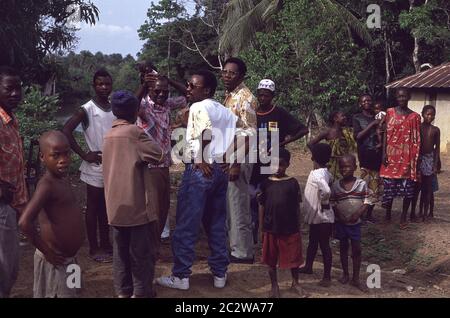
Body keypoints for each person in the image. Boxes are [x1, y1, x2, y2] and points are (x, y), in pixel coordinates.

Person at [156, 70, 238, 290]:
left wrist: (201, 158)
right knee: (216, 223)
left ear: (207, 90)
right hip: (220, 171)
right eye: (188, 85)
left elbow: (206, 132)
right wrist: (228, 157)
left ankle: (181, 276)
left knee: (186, 224)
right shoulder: (225, 111)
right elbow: (241, 135)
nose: (189, 89)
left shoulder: (198, 107)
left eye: (193, 86)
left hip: (201, 170)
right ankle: (220, 273)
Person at [102, 91, 164, 298]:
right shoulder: (135, 133)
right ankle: (141, 292)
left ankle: (122, 291)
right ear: (136, 111)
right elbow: (158, 154)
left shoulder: (108, 134)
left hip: (115, 207)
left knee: (120, 253)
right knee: (140, 254)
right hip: (137, 206)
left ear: (114, 111)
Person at [19, 131, 83, 298]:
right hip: (56, 261)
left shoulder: (63, 178)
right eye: (55, 155)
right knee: (58, 294)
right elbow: (25, 222)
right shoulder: (46, 185)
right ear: (42, 157)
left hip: (71, 259)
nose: (63, 160)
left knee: (73, 292)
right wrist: (47, 252)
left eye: (66, 153)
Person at [63, 69, 115, 263]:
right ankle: (94, 247)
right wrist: (84, 154)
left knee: (106, 207)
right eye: (100, 84)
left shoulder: (113, 107)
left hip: (111, 165)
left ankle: (106, 244)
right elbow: (66, 129)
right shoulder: (87, 109)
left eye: (107, 84)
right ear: (94, 85)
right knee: (93, 206)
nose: (104, 87)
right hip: (95, 166)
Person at [250, 79, 308, 242]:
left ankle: (269, 232)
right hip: (253, 162)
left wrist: (283, 143)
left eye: (266, 95)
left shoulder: (279, 113)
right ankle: (254, 232)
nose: (262, 98)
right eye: (260, 95)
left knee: (268, 197)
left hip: (272, 164)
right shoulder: (252, 113)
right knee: (252, 197)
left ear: (272, 96)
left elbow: (304, 129)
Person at [136, 74, 187, 242]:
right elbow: (132, 107)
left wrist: (169, 80)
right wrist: (144, 85)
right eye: (157, 91)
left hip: (164, 164)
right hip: (150, 166)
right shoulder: (144, 106)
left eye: (165, 92)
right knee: (152, 207)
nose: (161, 95)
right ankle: (149, 244)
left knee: (164, 206)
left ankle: (156, 240)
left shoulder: (166, 104)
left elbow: (187, 95)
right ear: (150, 90)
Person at [222, 57, 258, 263]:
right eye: (225, 72)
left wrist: (235, 162)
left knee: (238, 206)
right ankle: (235, 247)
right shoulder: (230, 96)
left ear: (241, 76)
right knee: (231, 205)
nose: (227, 76)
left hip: (239, 158)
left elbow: (250, 133)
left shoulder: (245, 97)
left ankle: (242, 253)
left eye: (232, 73)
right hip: (230, 156)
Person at [258, 148, 306, 298]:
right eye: (274, 164)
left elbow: (297, 206)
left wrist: (299, 226)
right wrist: (261, 228)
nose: (278, 167)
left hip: (290, 227)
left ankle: (295, 283)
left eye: (282, 164)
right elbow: (262, 206)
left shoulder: (293, 183)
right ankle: (274, 286)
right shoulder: (266, 183)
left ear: (288, 164)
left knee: (294, 258)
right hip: (271, 227)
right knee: (271, 259)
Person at [0, 66, 28, 298]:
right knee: (5, 267)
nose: (15, 94)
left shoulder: (10, 119)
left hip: (12, 204)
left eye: (18, 89)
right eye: (9, 89)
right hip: (1, 206)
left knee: (9, 265)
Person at [379, 87, 421, 225]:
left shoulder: (415, 117)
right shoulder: (390, 113)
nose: (401, 99)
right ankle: (388, 214)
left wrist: (416, 160)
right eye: (399, 96)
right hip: (391, 156)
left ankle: (403, 216)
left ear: (409, 97)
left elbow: (416, 139)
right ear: (396, 97)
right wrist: (384, 152)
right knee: (389, 187)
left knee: (408, 189)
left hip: (407, 158)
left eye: (404, 96)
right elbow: (385, 133)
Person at [331, 154, 369, 291]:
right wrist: (339, 214)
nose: (344, 169)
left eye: (347, 166)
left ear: (355, 167)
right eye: (341, 167)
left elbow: (367, 200)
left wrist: (358, 213)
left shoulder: (361, 184)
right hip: (341, 223)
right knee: (343, 247)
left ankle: (356, 278)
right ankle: (346, 274)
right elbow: (333, 202)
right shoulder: (336, 185)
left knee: (356, 249)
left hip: (355, 223)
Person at [299, 143, 334, 287]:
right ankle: (308, 266)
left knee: (324, 245)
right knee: (313, 242)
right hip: (318, 217)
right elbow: (330, 181)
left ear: (313, 157)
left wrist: (324, 201)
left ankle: (327, 276)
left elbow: (326, 190)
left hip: (322, 217)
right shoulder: (325, 172)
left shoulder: (316, 174)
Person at [352, 94, 382, 222]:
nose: (367, 102)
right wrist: (372, 124)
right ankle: (361, 213)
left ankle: (369, 214)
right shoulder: (357, 118)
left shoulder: (378, 117)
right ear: (360, 104)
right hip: (364, 156)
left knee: (374, 187)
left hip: (377, 156)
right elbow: (357, 136)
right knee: (363, 186)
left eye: (369, 100)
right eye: (364, 101)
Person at [308, 111, 356, 181]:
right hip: (331, 164)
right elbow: (310, 144)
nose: (345, 118)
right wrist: (317, 156)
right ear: (335, 119)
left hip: (343, 163)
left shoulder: (346, 132)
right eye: (342, 116)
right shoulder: (328, 132)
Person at [411, 105, 440, 222]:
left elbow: (437, 148)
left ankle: (423, 213)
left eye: (432, 114)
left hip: (429, 159)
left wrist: (435, 164)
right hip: (418, 159)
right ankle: (412, 212)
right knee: (416, 188)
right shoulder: (417, 128)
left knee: (427, 189)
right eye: (427, 114)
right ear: (422, 114)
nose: (430, 116)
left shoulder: (435, 130)